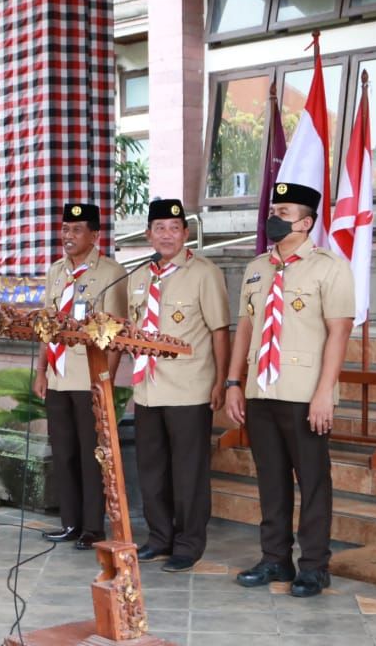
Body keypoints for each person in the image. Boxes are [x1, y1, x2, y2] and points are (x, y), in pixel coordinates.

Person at [225, 182, 353, 598]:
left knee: (313, 480)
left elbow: (339, 332)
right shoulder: (258, 267)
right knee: (271, 479)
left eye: (283, 211)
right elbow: (245, 327)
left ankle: (314, 565)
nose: (274, 218)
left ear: (306, 221)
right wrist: (233, 382)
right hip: (262, 389)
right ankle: (274, 558)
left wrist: (323, 392)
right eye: (273, 210)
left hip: (304, 392)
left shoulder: (329, 267)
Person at [126, 199, 231, 572]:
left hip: (189, 387)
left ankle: (188, 543)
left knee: (188, 470)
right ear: (148, 234)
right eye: (160, 228)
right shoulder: (138, 277)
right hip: (148, 388)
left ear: (186, 233)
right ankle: (159, 537)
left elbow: (220, 331)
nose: (167, 235)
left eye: (174, 228)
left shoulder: (204, 273)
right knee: (151, 468)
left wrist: (221, 381)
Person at [31, 202, 126, 550]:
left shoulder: (111, 273)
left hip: (89, 378)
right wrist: (41, 370)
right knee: (64, 452)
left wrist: (105, 380)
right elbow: (47, 325)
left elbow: (115, 335)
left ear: (95, 235)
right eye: (65, 230)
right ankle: (69, 522)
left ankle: (92, 527)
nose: (68, 236)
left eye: (76, 230)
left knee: (91, 455)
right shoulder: (56, 271)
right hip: (58, 376)